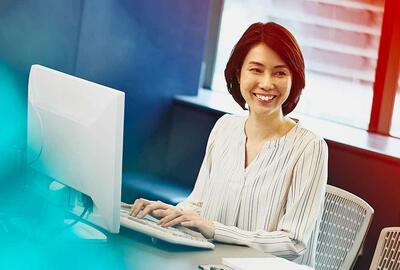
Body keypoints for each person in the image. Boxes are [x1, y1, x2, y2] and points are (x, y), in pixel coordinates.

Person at [126, 22, 328, 267]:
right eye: (256, 69)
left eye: (279, 73)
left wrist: (215, 229)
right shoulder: (224, 127)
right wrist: (170, 212)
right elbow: (198, 203)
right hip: (212, 263)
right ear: (238, 73)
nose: (266, 83)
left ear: (293, 79)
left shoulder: (309, 147)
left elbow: (293, 243)